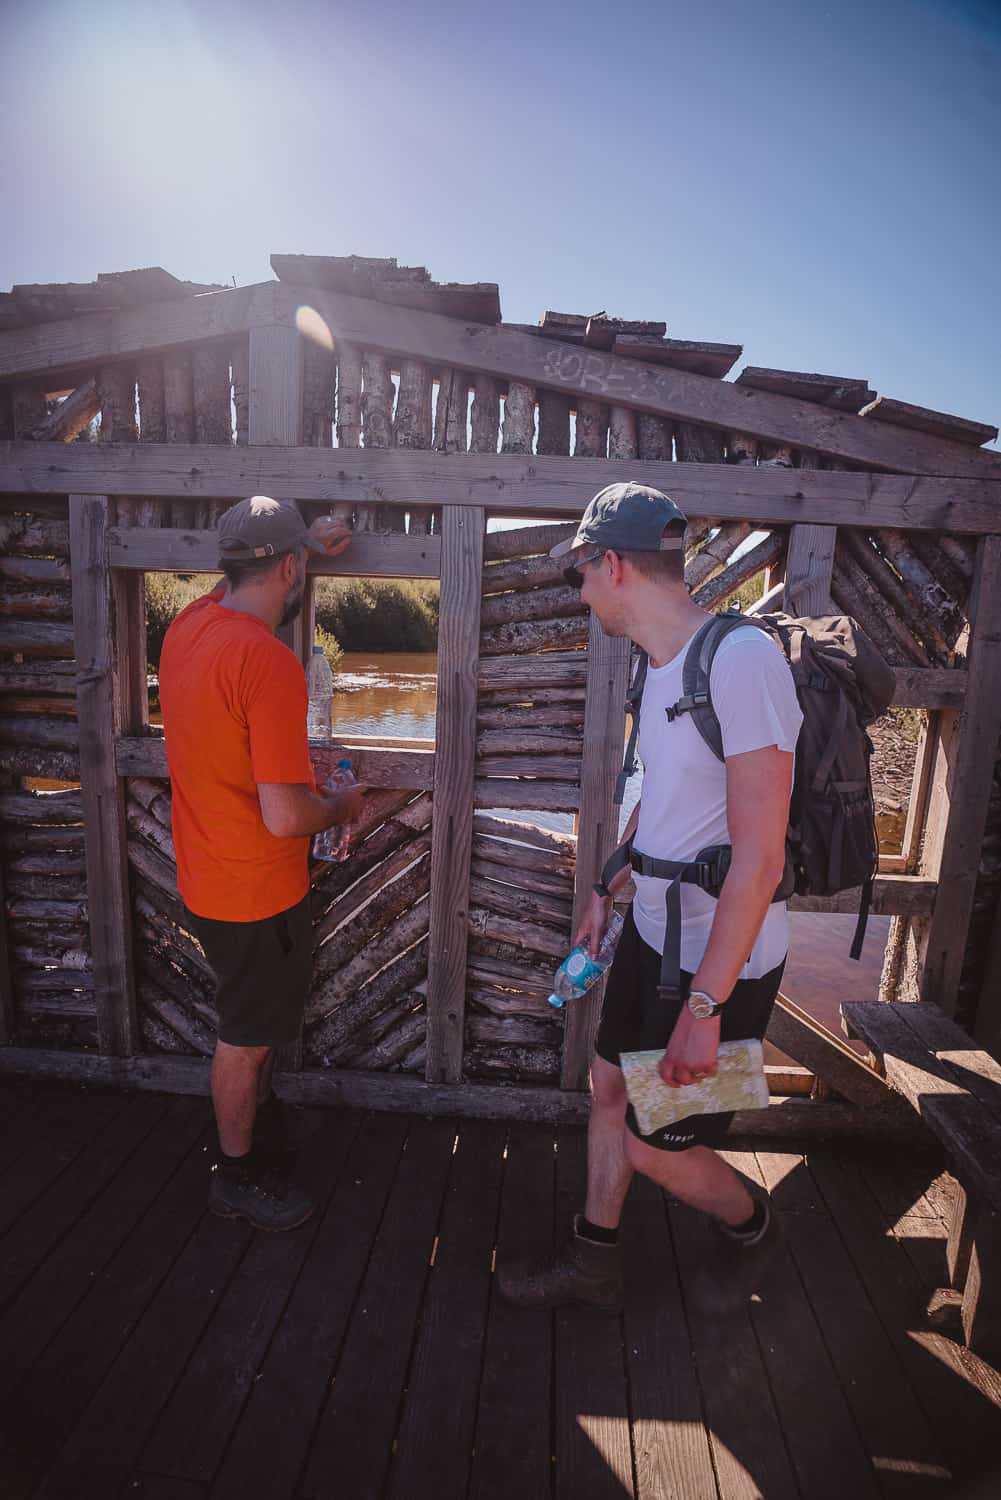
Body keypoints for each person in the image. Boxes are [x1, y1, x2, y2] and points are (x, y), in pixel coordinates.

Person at [498, 482, 802, 1316]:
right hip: (652, 934)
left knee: (661, 1149)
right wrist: (606, 885)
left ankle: (755, 1227)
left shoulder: (741, 660)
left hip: (722, 965)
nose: (581, 592)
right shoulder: (660, 665)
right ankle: (593, 1263)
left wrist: (705, 1004)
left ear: (613, 564)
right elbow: (660, 798)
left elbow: (761, 857)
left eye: (579, 576)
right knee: (607, 1090)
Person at [159, 494, 364, 1231]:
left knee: (254, 1025)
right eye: (296, 563)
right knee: (244, 1040)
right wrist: (341, 803)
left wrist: (298, 540)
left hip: (205, 880)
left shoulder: (187, 630)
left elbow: (235, 583)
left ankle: (259, 1131)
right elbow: (285, 816)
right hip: (257, 892)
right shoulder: (269, 664)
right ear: (289, 568)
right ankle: (238, 1174)